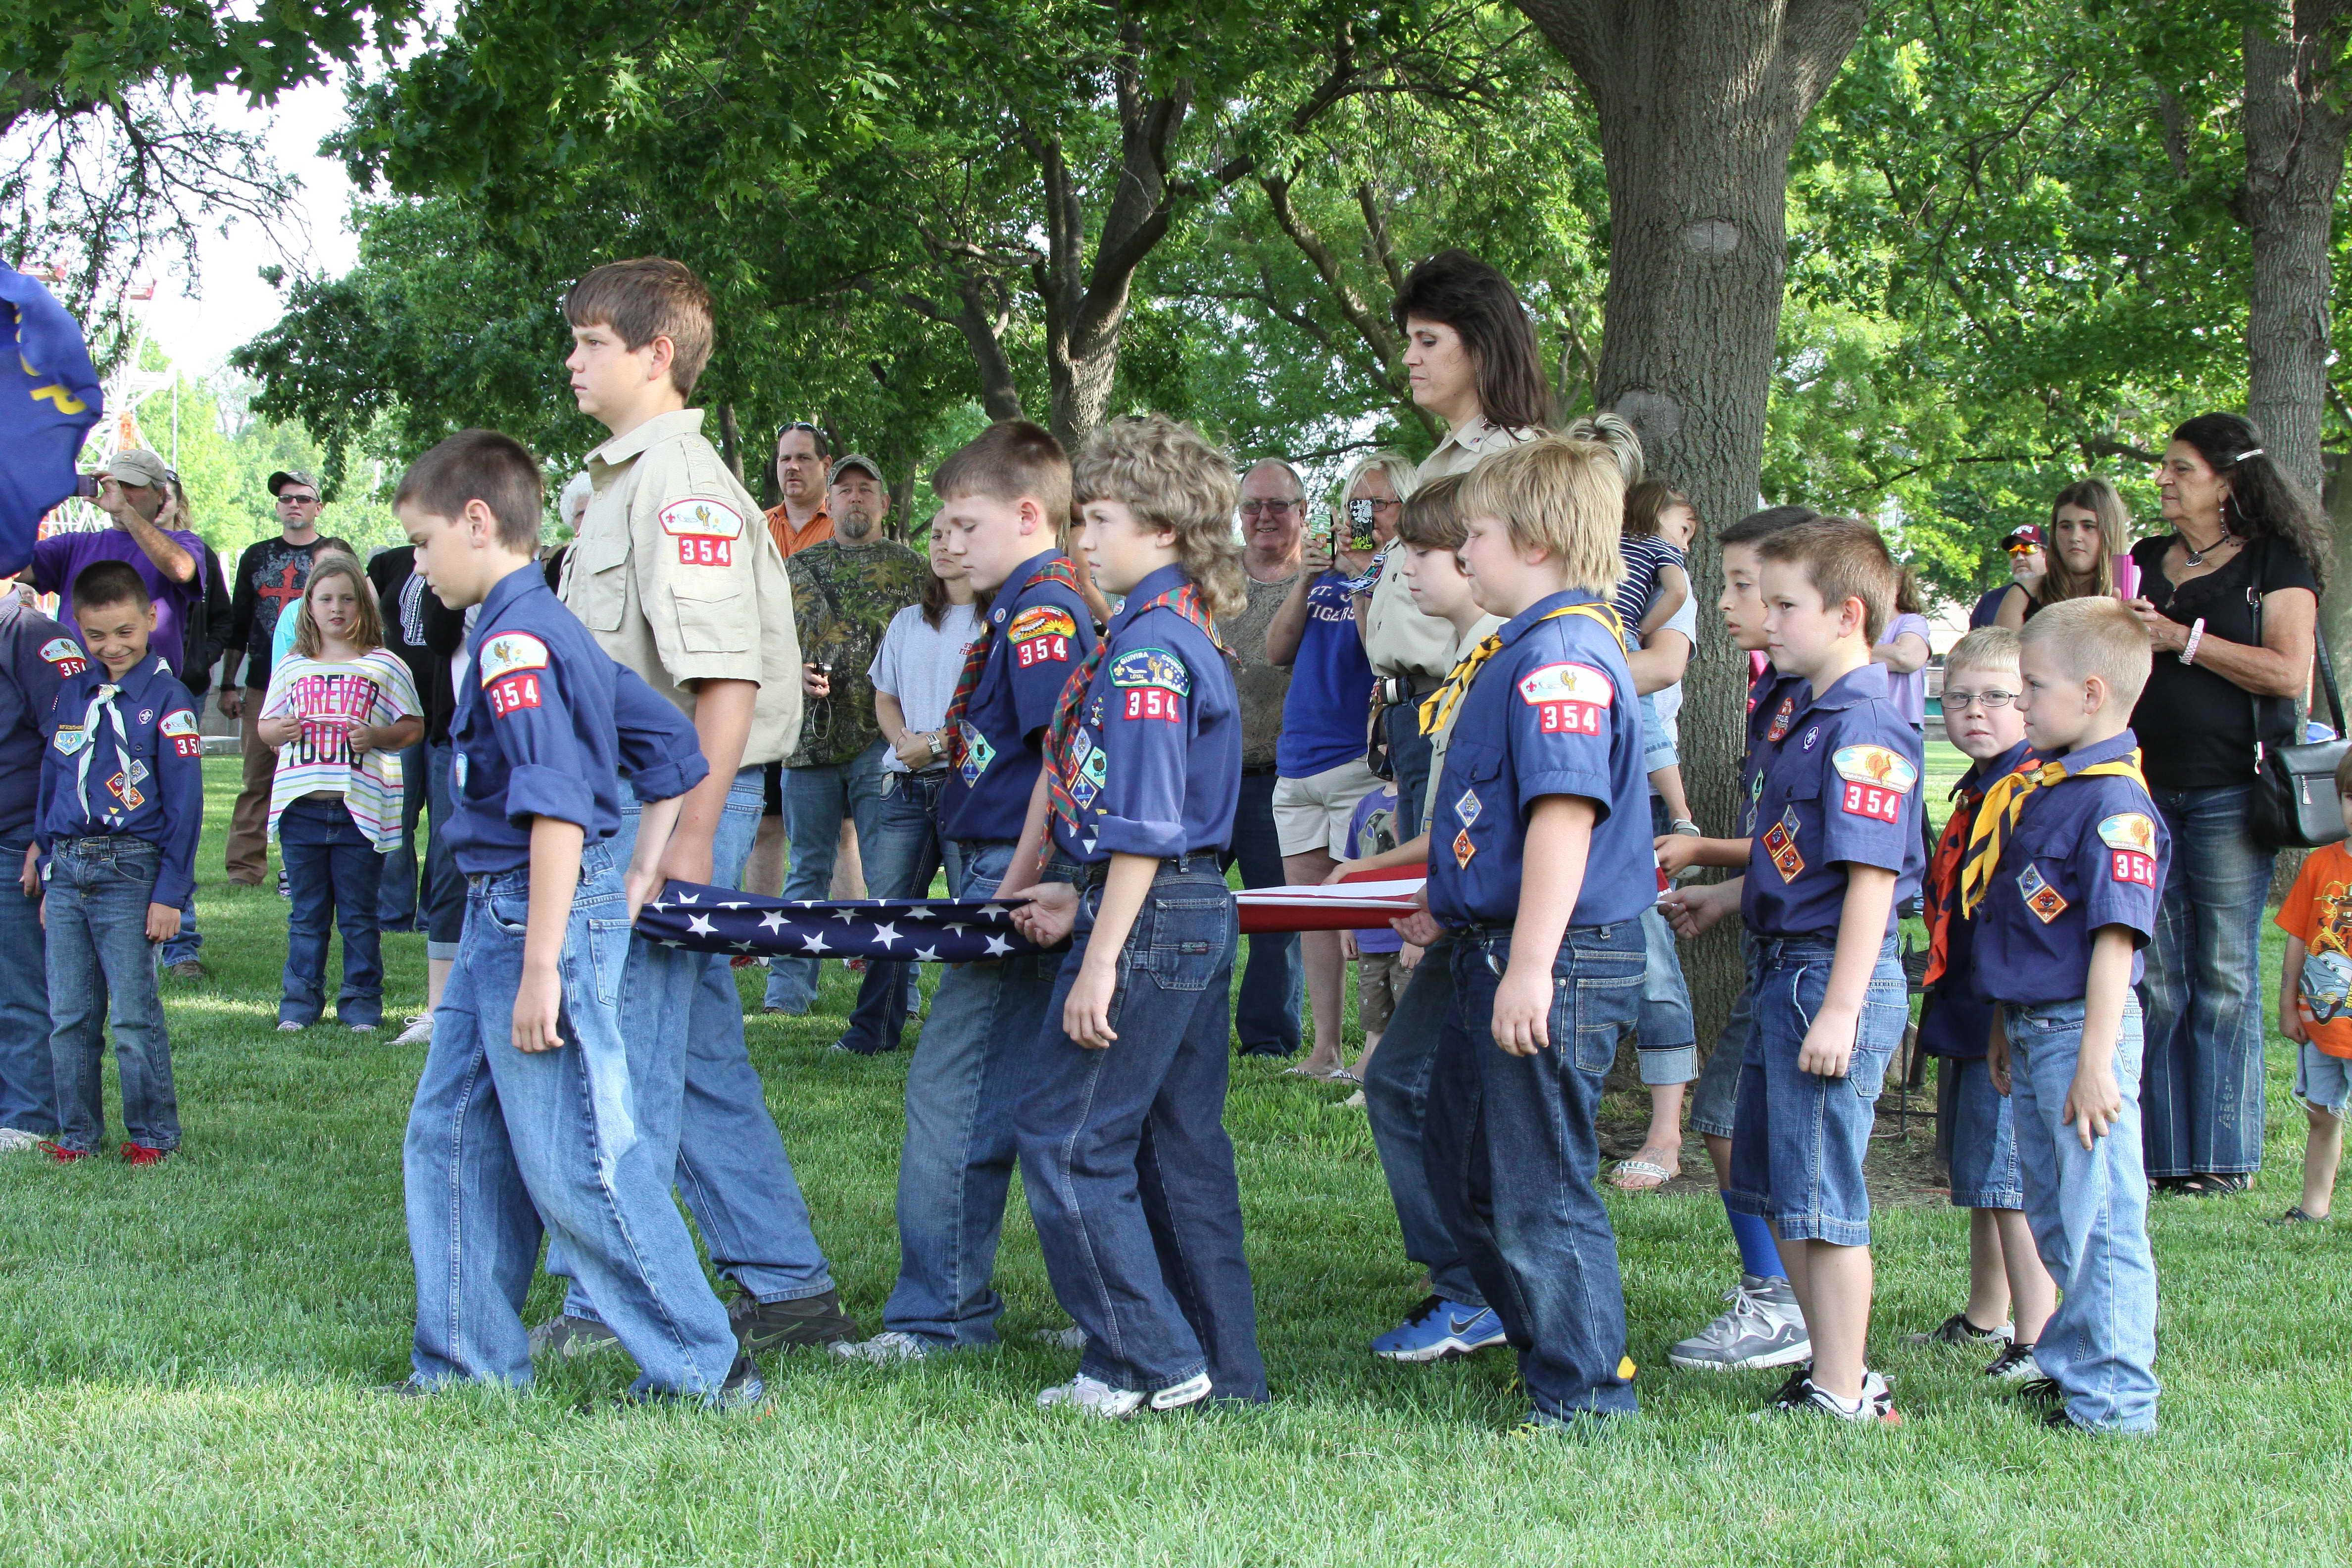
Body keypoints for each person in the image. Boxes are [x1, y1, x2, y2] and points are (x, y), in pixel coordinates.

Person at [388, 428, 760, 1405]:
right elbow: (671, 744)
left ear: (479, 522)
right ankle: (468, 1369)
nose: (418, 567)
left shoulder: (517, 641)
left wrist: (547, 961)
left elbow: (554, 807)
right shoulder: (548, 625)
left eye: (423, 545)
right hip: (509, 913)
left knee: (580, 1159)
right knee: (452, 1134)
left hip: (529, 918)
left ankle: (702, 1371)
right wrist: (635, 866)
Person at [544, 257, 853, 1359]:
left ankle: (613, 1307)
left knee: (617, 1057)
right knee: (690, 1056)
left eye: (592, 343)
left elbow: (725, 685)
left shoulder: (682, 488)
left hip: (658, 813)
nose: (574, 360)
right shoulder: (632, 479)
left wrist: (678, 847)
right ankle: (788, 1287)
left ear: (656, 354)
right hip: (640, 810)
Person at [1002, 412, 1261, 1417]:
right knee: (1181, 1147)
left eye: (1100, 518)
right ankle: (1225, 1371)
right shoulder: (1178, 630)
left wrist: (1104, 953)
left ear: (1163, 527)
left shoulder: (1149, 651)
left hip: (1150, 915)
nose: (1084, 541)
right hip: (1184, 904)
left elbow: (1148, 825)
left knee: (1069, 1135)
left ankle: (1146, 1360)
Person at [1390, 435, 1650, 1430]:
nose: (1465, 557)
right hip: (1493, 946)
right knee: (1471, 1173)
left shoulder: (1564, 658)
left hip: (1553, 959)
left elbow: (1562, 819)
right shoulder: (1526, 644)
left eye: (1480, 537)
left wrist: (1532, 967)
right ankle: (1550, 1354)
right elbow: (1498, 824)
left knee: (1537, 1183)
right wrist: (1451, 901)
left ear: (1536, 541)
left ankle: (1583, 1394)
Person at [830, 420, 1095, 1365]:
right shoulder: (1026, 603)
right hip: (1001, 862)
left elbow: (1065, 759)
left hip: (1012, 876)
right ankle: (1100, 1300)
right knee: (1038, 1092)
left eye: (964, 521)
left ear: (1029, 515)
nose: (947, 541)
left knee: (955, 1091)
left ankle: (938, 1315)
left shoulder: (1041, 615)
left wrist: (1025, 883)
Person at [1684, 518, 1921, 1422]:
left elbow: (1868, 884)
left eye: (1786, 603)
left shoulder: (1865, 726)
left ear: (1847, 612)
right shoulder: (1809, 714)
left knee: (1822, 1194)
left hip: (1826, 977)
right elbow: (1802, 859)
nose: (1766, 618)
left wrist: (1840, 1008)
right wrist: (1729, 894)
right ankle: (1829, 1365)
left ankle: (1847, 1386)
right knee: (1782, 1184)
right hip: (1786, 966)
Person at [1323, 474, 1509, 1362]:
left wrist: (1431, 882)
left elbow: (1511, 823)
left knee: (1430, 1089)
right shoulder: (1469, 663)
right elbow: (1454, 824)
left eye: (1420, 555)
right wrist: (1377, 869)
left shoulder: (1502, 663)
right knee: (1406, 1082)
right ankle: (1469, 1281)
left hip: (1504, 933)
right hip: (1469, 913)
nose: (1404, 572)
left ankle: (1477, 1288)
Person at [2126, 412, 2330, 1196]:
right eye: (2166, 468)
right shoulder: (2148, 559)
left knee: (2224, 972)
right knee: (2163, 973)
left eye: (2182, 468)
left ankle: (2225, 1156)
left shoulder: (2277, 561)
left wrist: (2181, 639)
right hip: (2144, 787)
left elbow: (2288, 673)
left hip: (2231, 792)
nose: (2166, 481)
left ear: (2228, 479)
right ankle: (2164, 1155)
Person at [1976, 596, 2166, 1433]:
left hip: (2078, 1034)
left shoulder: (2114, 802)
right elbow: (2023, 921)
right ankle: (2073, 1360)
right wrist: (2000, 1024)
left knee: (2100, 1216)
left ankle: (2117, 1398)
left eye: (2032, 687)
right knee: (2054, 1208)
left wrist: (2096, 1059)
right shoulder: (2051, 786)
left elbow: (2115, 941)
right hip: (2032, 1027)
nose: (2019, 703)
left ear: (2092, 692)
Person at [1653, 505, 1817, 1375]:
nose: (1724, 601)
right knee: (1729, 1122)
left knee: (1744, 1125)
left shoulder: (1833, 711)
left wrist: (1709, 852)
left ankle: (1788, 1305)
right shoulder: (1780, 693)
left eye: (1746, 586)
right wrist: (1725, 891)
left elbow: (1828, 852)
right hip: (1772, 947)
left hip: (1811, 966)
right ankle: (1781, 1295)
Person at [1362, 249, 1552, 846]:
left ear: (1479, 344)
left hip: (1466, 709)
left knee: (1448, 922)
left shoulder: (1514, 461)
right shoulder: (1445, 457)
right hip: (1414, 718)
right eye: (1409, 339)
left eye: (1428, 339)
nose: (1410, 357)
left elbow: (1511, 618)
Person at [1908, 627, 2055, 1380]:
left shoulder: (2029, 791)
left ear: (2030, 703)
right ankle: (1984, 1315)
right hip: (1965, 1002)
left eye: (1997, 697)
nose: (1975, 712)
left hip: (2007, 1009)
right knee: (1979, 1175)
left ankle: (2038, 1336)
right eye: (1958, 696)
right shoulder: (1977, 785)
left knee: (2008, 1182)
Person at [34, 561, 202, 1164]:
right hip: (69, 866)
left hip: (132, 870)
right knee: (70, 1015)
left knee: (133, 1016)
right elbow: (55, 778)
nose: (114, 647)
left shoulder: (168, 699)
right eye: (97, 636)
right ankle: (77, 1134)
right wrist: (44, 854)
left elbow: (186, 803)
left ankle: (152, 1134)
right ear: (78, 627)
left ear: (151, 619)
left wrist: (170, 894)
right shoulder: (72, 693)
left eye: (126, 632)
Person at [764, 454, 927, 1020]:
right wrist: (793, 679)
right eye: (845, 491)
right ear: (828, 504)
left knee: (890, 875)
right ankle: (786, 997)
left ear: (884, 503)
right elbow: (766, 647)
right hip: (809, 746)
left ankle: (896, 997)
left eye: (866, 490)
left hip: (885, 745)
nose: (855, 499)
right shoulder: (794, 570)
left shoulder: (916, 572)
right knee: (805, 870)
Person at [1264, 452, 1396, 1079]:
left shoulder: (1403, 576)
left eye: (1381, 506)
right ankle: (1325, 1050)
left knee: (1366, 915)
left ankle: (1376, 1053)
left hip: (1359, 762)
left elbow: (1385, 660)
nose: (1364, 519)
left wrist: (1370, 579)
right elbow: (1276, 650)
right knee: (1313, 912)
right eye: (1356, 506)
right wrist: (1307, 580)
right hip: (1298, 762)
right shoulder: (1321, 576)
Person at [256, 554, 423, 1033]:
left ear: (363, 607)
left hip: (360, 810)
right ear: (308, 606)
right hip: (302, 809)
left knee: (358, 913)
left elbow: (412, 726)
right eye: (325, 599)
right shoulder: (293, 666)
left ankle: (362, 1006)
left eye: (347, 599)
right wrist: (279, 730)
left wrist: (376, 737)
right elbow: (265, 725)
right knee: (306, 914)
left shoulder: (385, 664)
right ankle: (298, 1006)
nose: (337, 609)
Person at [836, 520, 984, 1055]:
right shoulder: (906, 622)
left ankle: (970, 1035)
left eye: (956, 534)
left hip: (968, 788)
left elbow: (995, 712)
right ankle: (871, 1032)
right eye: (936, 535)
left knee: (972, 916)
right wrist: (904, 741)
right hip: (904, 788)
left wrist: (939, 745)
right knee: (890, 914)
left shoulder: (999, 622)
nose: (943, 545)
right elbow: (885, 695)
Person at [1220, 458, 1308, 1057]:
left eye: (1279, 505)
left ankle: (1268, 1040)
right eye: (1253, 506)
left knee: (1276, 917)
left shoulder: (1324, 583)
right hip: (1207, 773)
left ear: (1303, 512)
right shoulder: (1213, 579)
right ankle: (1182, 1019)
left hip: (1280, 775)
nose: (1265, 517)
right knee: (1187, 904)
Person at [219, 471, 330, 886]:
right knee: (257, 778)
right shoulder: (256, 556)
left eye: (302, 498)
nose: (293, 505)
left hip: (321, 687)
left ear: (318, 507)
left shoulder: (333, 554)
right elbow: (239, 624)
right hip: (265, 685)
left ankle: (301, 869)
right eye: (286, 499)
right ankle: (244, 870)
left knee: (311, 779)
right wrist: (229, 683)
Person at [0, 591, 77, 1151]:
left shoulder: (32, 636)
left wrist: (41, 839)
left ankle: (28, 1117)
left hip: (14, 838)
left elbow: (71, 741)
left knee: (20, 983)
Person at [747, 422, 837, 900]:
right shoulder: (757, 527)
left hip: (831, 692)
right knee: (766, 822)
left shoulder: (843, 525)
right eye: (785, 459)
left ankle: (855, 943)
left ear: (825, 465)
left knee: (842, 829)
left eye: (803, 458)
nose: (792, 467)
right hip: (769, 690)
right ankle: (756, 936)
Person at [21, 448, 203, 676]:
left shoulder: (181, 541)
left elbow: (181, 570)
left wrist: (125, 512)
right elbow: (12, 569)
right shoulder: (73, 545)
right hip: (79, 692)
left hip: (149, 694)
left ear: (160, 495)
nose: (122, 494)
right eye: (115, 484)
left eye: (133, 486)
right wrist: (31, 505)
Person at [2272, 752, 2352, 1226]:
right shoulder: (2321, 864)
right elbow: (2298, 939)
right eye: (2350, 797)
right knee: (2322, 1115)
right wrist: (2288, 1007)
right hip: (2324, 1023)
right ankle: (2313, 1207)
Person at [155, 473, 229, 980]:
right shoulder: (106, 548)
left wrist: (198, 666)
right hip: (114, 696)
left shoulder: (193, 552)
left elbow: (221, 617)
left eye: (163, 492)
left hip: (180, 689)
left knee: (178, 809)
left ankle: (181, 944)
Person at [367, 542, 439, 932]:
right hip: (399, 711)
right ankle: (393, 915)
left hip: (451, 710)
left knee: (447, 824)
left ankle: (435, 915)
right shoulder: (388, 562)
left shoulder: (464, 559)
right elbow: (360, 620)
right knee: (395, 816)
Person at [1995, 480, 2134, 627]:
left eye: (2088, 526)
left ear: (2110, 532)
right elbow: (2002, 650)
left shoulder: (2133, 594)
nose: (2075, 537)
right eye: (2066, 527)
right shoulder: (2023, 595)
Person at [1341, 780, 1405, 1080]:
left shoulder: (1423, 801)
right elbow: (1351, 865)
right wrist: (1348, 926)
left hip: (1409, 932)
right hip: (1371, 933)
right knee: (1374, 1011)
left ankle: (1394, 1078)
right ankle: (1369, 1070)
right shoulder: (1367, 803)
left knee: (1409, 1013)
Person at [1874, 570, 1933, 731]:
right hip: (1862, 720)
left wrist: (1845, 652)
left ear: (1896, 587)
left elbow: (1905, 657)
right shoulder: (1854, 629)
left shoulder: (1912, 622)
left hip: (1901, 723)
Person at [1970, 524, 2044, 628]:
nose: (2019, 557)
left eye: (2027, 549)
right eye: (2013, 552)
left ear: (2048, 554)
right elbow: (1974, 643)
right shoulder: (1990, 601)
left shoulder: (2064, 593)